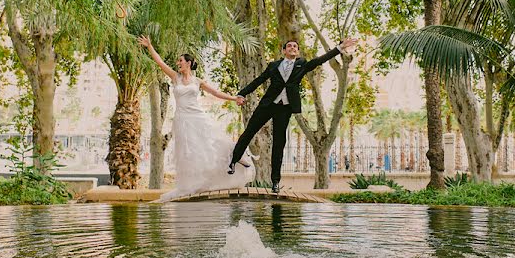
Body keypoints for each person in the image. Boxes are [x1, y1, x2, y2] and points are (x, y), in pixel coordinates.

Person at [229, 37, 357, 193]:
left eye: (295, 46)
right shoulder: (274, 65)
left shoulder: (302, 64)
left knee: (279, 143)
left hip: (285, 108)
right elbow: (258, 80)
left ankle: (275, 181)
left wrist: (339, 48)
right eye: (289, 46)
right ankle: (234, 161)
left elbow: (319, 60)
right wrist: (242, 94)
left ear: (298, 51)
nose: (292, 48)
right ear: (284, 51)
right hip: (267, 105)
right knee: (249, 131)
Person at [137, 36, 254, 202]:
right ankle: (193, 183)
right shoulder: (175, 77)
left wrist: (234, 98)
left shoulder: (197, 81)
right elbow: (160, 63)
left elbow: (216, 93)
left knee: (214, 140)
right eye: (178, 61)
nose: (178, 63)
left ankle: (236, 157)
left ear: (189, 63)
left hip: (197, 116)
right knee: (189, 151)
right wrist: (149, 46)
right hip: (182, 119)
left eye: (181, 61)